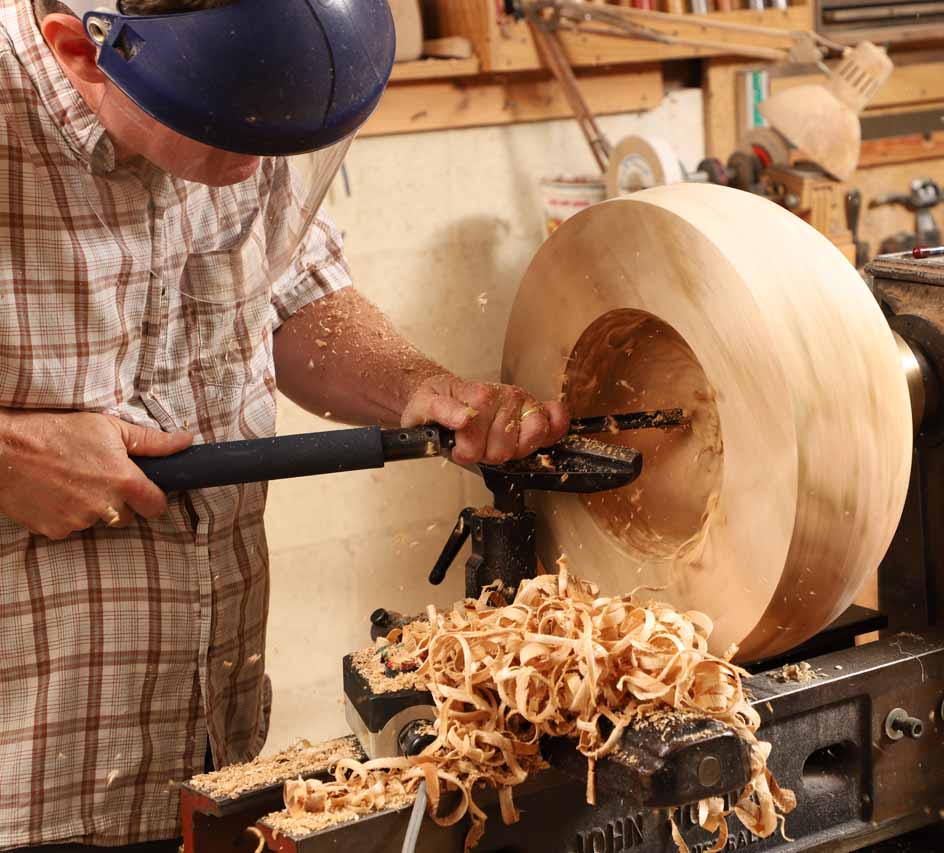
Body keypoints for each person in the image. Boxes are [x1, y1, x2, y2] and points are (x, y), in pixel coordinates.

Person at [0, 1, 569, 850]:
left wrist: (420, 386)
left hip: (208, 745)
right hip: (26, 774)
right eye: (228, 141)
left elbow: (295, 294)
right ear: (84, 54)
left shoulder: (236, 103)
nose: (253, 170)